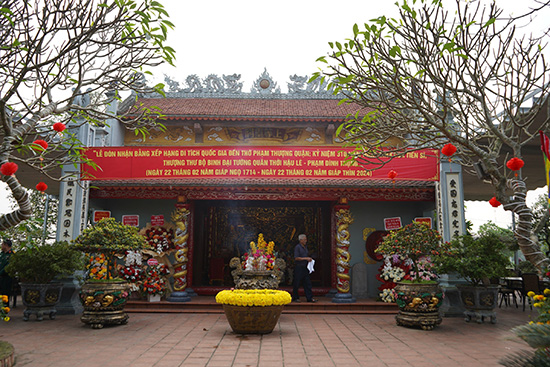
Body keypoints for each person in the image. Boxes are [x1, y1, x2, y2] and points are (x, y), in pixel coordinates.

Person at [292, 234, 317, 303]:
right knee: (297, 283)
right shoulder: (298, 247)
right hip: (299, 267)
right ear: (301, 240)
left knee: (307, 282)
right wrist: (306, 258)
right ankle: (295, 297)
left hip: (305, 267)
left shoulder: (305, 247)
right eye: (305, 239)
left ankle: (309, 297)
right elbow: (296, 258)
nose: (306, 241)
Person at [0, 239, 13, 303]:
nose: (1, 246)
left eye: (2, 244)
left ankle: (5, 309)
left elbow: (8, 266)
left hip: (6, 277)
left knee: (5, 294)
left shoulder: (11, 254)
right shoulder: (2, 254)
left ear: (6, 245)